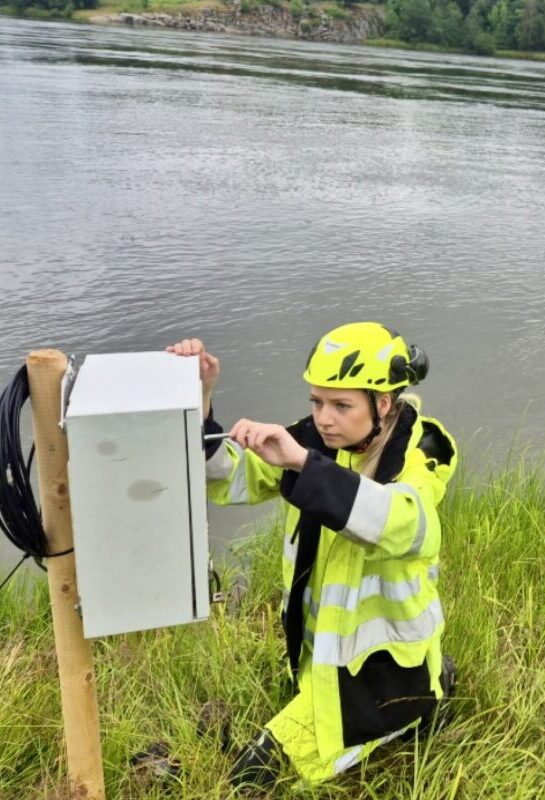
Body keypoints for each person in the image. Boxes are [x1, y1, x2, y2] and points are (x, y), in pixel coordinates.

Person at [168, 322, 458, 790]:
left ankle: (426, 700)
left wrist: (304, 464)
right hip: (320, 661)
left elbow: (404, 523)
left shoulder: (421, 451)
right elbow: (233, 478)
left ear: (383, 403)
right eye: (317, 402)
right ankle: (420, 698)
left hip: (383, 671)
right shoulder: (317, 442)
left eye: (341, 405)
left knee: (253, 778)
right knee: (257, 768)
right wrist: (200, 398)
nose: (324, 419)